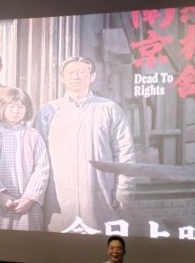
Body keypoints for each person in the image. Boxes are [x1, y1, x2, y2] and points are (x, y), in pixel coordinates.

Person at [34, 56, 135, 233]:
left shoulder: (109, 108)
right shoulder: (48, 111)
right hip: (58, 194)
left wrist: (124, 191)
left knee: (98, 241)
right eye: (70, 73)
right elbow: (37, 157)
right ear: (62, 78)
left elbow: (124, 152)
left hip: (100, 191)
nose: (76, 76)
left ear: (92, 76)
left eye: (82, 71)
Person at [0, 88, 50, 231]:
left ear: (27, 110)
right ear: (2, 108)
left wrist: (29, 198)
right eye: (11, 106)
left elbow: (42, 169)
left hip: (26, 205)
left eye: (21, 107)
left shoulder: (34, 135)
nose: (16, 111)